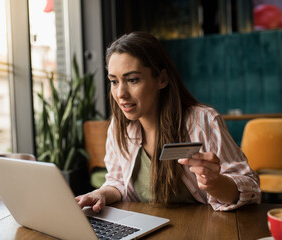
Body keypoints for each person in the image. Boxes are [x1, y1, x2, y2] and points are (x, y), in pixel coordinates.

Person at [76, 31, 261, 212]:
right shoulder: (119, 127)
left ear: (162, 79)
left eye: (132, 80)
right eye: (114, 81)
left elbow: (251, 188)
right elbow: (118, 183)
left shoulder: (203, 121)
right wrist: (101, 193)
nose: (120, 93)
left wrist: (215, 183)